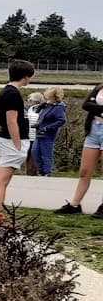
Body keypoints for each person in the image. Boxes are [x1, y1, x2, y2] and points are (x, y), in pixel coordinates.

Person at [0, 59, 37, 226]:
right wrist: (17, 144)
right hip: (11, 141)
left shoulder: (7, 91)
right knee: (2, 180)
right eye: (29, 77)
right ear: (25, 77)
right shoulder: (13, 94)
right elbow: (12, 121)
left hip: (5, 140)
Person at [55, 83, 103, 215]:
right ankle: (75, 205)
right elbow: (86, 105)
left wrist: (95, 107)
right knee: (85, 171)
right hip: (94, 130)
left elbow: (91, 106)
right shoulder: (99, 88)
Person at [32, 88, 67, 177]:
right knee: (35, 152)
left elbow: (62, 120)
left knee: (46, 154)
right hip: (39, 132)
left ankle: (47, 172)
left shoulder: (58, 108)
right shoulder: (48, 106)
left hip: (48, 134)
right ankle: (41, 171)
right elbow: (39, 115)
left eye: (48, 97)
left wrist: (48, 127)